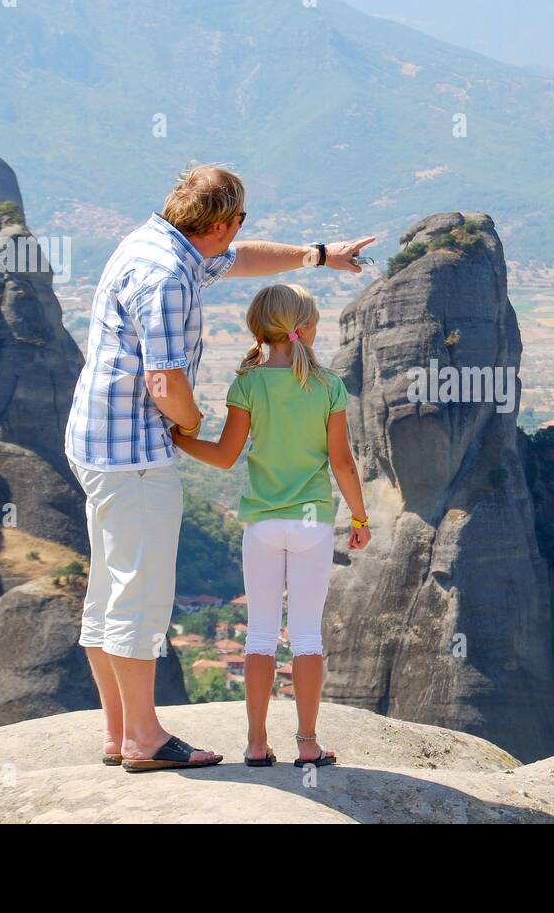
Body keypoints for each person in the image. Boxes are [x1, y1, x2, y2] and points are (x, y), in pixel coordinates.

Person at [63, 164, 373, 772]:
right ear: (225, 221)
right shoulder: (167, 276)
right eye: (238, 225)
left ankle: (118, 731)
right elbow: (164, 379)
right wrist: (188, 423)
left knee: (107, 587)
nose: (237, 237)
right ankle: (144, 742)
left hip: (96, 442)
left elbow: (240, 260)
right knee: (138, 594)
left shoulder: (157, 243)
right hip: (134, 455)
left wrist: (316, 255)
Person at [171, 282, 371, 768]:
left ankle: (257, 745)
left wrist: (178, 438)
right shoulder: (329, 387)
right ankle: (308, 744)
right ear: (301, 329)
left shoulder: (248, 384)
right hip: (312, 523)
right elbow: (342, 463)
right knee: (306, 636)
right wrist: (359, 517)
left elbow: (224, 456)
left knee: (260, 634)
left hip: (262, 523)